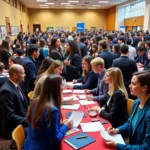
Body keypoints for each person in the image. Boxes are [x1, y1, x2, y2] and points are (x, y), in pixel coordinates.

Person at [24, 74, 73, 150]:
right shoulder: (52, 110)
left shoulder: (36, 101)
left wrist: (60, 124)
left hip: (30, 144)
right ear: (59, 88)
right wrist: (65, 126)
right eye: (62, 86)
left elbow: (43, 125)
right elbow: (54, 140)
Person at [105, 71, 150, 150]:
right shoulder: (136, 103)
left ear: (144, 88)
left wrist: (117, 145)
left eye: (133, 84)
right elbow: (130, 122)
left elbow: (146, 147)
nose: (129, 86)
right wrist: (117, 130)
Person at [0, 64, 29, 139]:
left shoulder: (16, 85)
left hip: (22, 120)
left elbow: (24, 105)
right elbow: (9, 115)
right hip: (13, 127)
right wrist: (27, 120)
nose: (25, 75)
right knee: (40, 132)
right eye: (23, 73)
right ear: (15, 75)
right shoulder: (6, 91)